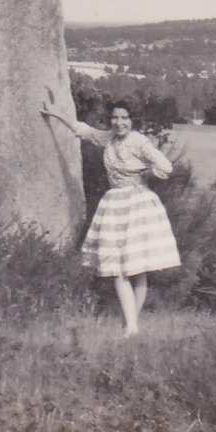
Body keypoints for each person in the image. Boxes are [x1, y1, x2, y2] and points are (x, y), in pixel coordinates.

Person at [41, 99, 181, 335]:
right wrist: (55, 114)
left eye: (124, 118)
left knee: (137, 268)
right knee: (117, 266)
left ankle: (130, 326)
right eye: (115, 118)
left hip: (138, 204)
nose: (119, 123)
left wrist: (145, 175)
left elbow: (165, 167)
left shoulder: (139, 141)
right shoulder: (108, 139)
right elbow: (83, 130)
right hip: (115, 203)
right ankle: (131, 326)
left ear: (132, 120)